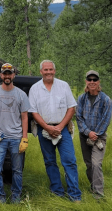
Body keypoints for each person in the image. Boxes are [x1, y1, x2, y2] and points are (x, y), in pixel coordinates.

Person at [28, 60, 81, 202]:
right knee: (50, 161)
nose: (48, 72)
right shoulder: (35, 88)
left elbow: (71, 108)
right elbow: (33, 111)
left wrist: (60, 126)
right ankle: (57, 191)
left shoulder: (63, 86)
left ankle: (74, 195)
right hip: (43, 129)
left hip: (62, 129)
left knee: (69, 160)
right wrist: (47, 127)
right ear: (41, 72)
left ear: (54, 71)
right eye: (46, 70)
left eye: (51, 69)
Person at [0, 63, 30, 204]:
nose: (7, 76)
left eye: (9, 73)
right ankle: (0, 196)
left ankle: (16, 196)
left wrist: (25, 138)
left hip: (16, 137)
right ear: (1, 75)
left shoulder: (21, 95)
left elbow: (24, 117)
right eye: (5, 73)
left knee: (17, 170)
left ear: (13, 75)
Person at [76, 70, 112, 200]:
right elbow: (78, 117)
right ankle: (93, 186)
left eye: (94, 79)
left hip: (99, 138)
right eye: (89, 79)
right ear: (86, 81)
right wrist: (88, 132)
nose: (92, 82)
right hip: (84, 136)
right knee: (89, 164)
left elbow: (106, 119)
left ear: (98, 82)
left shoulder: (106, 100)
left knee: (96, 163)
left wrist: (95, 134)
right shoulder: (81, 98)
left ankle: (98, 195)